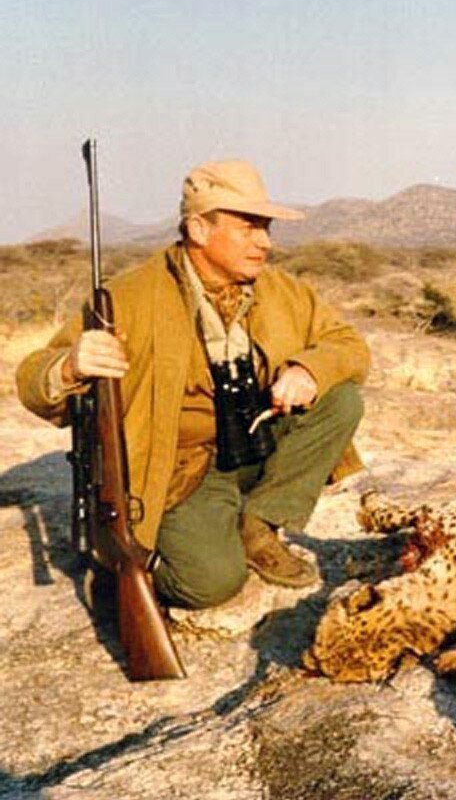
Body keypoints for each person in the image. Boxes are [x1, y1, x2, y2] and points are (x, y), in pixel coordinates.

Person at [17, 160, 369, 609]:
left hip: (252, 445)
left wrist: (308, 369)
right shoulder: (129, 297)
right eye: (249, 227)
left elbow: (348, 344)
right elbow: (32, 379)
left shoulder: (282, 290)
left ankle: (258, 522)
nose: (264, 241)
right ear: (199, 230)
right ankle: (150, 560)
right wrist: (69, 366)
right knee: (211, 583)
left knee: (341, 400)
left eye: (266, 227)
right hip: (182, 471)